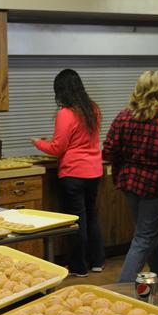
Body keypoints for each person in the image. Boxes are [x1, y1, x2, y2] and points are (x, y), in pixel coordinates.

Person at [103, 70, 158, 282]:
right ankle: (122, 288)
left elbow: (108, 151)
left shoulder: (123, 116)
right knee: (144, 236)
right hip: (157, 186)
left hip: (129, 183)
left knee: (148, 232)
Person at [31, 69, 106, 277]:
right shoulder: (93, 109)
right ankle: (97, 261)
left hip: (73, 174)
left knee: (76, 222)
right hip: (94, 172)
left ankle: (78, 267)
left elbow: (57, 149)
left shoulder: (66, 113)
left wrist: (38, 143)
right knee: (92, 217)